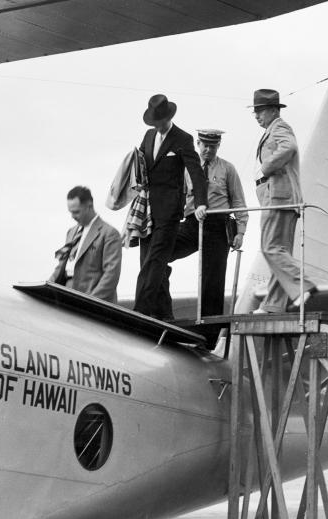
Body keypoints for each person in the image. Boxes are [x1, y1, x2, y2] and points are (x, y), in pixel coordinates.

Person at [133, 94, 208, 321]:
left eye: (161, 121)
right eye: (155, 123)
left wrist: (201, 202)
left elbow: (196, 172)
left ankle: (140, 310)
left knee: (154, 261)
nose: (158, 126)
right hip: (147, 212)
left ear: (168, 117)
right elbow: (139, 164)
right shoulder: (148, 136)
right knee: (148, 260)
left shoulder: (182, 138)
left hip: (169, 212)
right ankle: (164, 313)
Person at [170, 129, 248, 346]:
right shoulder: (188, 168)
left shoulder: (227, 169)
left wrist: (240, 231)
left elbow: (239, 201)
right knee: (163, 251)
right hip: (192, 223)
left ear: (218, 147)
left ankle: (209, 336)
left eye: (212, 146)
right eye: (204, 145)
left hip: (216, 225)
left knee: (212, 280)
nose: (207, 150)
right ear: (197, 143)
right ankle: (161, 308)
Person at [251, 88, 316, 313]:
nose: (257, 116)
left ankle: (301, 284)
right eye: (255, 111)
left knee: (270, 248)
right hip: (284, 198)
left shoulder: (279, 127)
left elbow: (289, 147)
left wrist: (265, 168)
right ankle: (273, 305)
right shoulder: (274, 128)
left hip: (278, 198)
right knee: (279, 249)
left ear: (272, 111)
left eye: (260, 111)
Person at [50, 186, 122, 302]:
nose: (72, 216)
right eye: (70, 212)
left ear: (89, 206)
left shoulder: (109, 234)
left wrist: (91, 302)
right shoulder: (71, 232)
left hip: (90, 299)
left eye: (76, 212)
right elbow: (61, 267)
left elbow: (111, 275)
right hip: (65, 295)